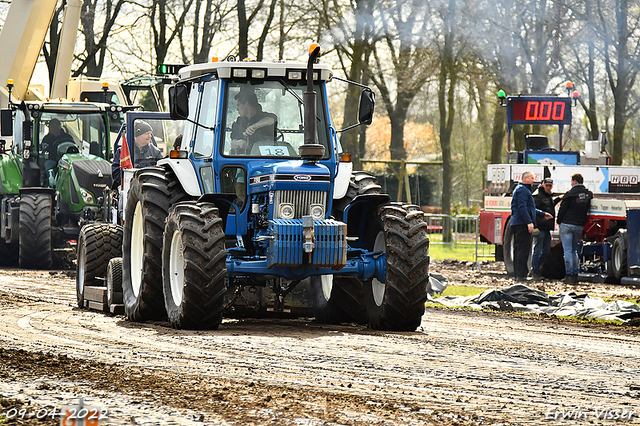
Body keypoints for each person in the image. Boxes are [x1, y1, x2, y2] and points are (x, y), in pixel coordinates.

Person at [510, 171, 553, 282]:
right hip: (521, 224)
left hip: (520, 222)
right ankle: (521, 275)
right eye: (532, 178)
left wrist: (542, 214)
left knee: (521, 249)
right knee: (522, 249)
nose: (534, 180)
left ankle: (520, 275)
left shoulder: (523, 190)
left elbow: (529, 208)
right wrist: (529, 222)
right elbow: (522, 207)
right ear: (525, 178)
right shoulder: (522, 190)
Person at [556, 173, 593, 284]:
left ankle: (569, 275)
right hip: (579, 225)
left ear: (575, 181)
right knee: (574, 250)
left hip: (567, 224)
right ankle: (576, 274)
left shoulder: (569, 194)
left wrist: (559, 221)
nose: (571, 183)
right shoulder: (588, 194)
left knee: (567, 251)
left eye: (572, 181)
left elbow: (562, 209)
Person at [112, 120, 163, 187]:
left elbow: (161, 171)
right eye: (147, 134)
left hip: (148, 187)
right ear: (137, 135)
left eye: (150, 133)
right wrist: (127, 182)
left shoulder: (155, 152)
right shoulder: (122, 152)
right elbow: (115, 172)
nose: (150, 136)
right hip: (128, 187)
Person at [530, 178, 561, 280]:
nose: (548, 187)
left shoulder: (549, 197)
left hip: (547, 228)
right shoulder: (537, 197)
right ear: (543, 185)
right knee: (537, 250)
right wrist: (535, 226)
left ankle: (536, 268)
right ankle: (534, 269)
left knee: (546, 250)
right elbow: (533, 211)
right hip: (540, 227)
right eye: (547, 185)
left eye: (550, 186)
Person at [229, 91, 277, 155]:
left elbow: (271, 119)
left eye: (239, 105)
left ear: (246, 104)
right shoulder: (239, 121)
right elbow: (232, 143)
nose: (237, 109)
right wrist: (240, 143)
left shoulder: (264, 117)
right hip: (243, 159)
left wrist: (255, 126)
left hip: (265, 157)